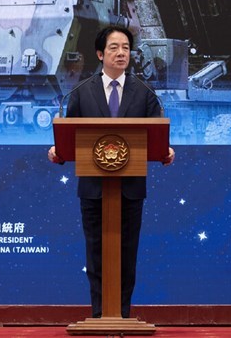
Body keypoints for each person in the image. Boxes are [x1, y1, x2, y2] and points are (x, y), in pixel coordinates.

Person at [48, 25, 175, 319]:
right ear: (100, 53)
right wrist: (59, 152)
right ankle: (99, 314)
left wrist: (165, 152)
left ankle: (122, 314)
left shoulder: (144, 92)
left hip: (130, 187)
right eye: (115, 47)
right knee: (96, 252)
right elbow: (70, 136)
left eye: (126, 48)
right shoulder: (81, 91)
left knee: (127, 253)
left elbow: (156, 134)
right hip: (93, 187)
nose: (121, 53)